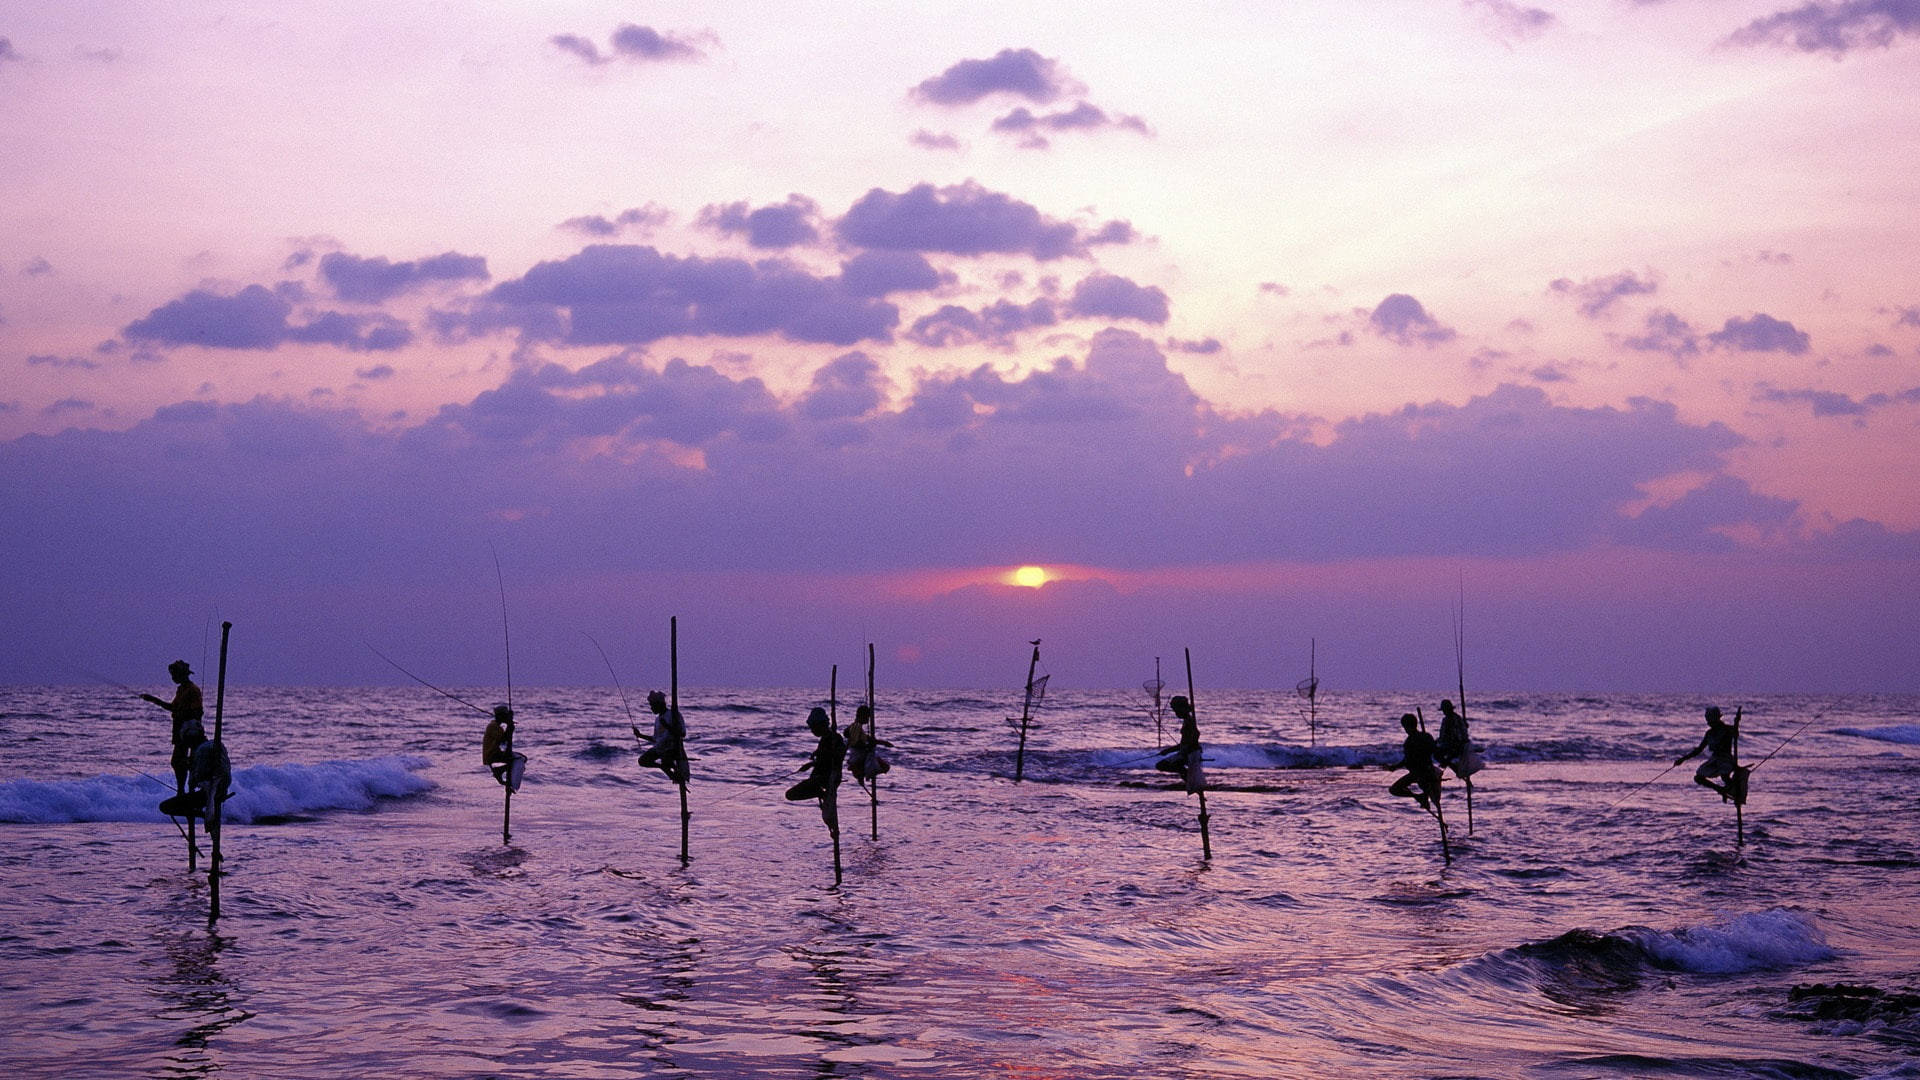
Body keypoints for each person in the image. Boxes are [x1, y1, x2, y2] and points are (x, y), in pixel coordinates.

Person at [140, 660, 205, 794]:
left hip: (191, 732)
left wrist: (182, 714)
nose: (173, 678)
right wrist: (153, 699)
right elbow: (173, 707)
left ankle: (190, 790)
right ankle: (181, 790)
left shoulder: (193, 690)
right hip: (179, 731)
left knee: (188, 762)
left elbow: (198, 711)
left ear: (182, 675)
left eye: (175, 675)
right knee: (177, 762)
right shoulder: (181, 689)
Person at [786, 707, 845, 835]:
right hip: (820, 778)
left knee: (791, 794)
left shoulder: (835, 738)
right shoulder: (825, 739)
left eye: (813, 728)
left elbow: (837, 758)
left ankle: (820, 793)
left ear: (821, 725)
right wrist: (812, 763)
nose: (812, 731)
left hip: (827, 779)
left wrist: (817, 760)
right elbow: (824, 758)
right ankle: (820, 793)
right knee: (790, 795)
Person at [1676, 705, 1745, 803]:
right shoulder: (1709, 733)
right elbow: (1699, 750)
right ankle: (1721, 790)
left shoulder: (1727, 729)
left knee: (1725, 776)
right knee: (1698, 777)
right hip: (1715, 759)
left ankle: (1733, 790)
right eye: (1707, 720)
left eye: (1709, 719)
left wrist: (1736, 723)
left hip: (1726, 759)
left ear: (1716, 718)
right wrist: (1683, 759)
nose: (1708, 722)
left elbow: (1736, 734)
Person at [1388, 713, 1443, 812]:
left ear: (1406, 727)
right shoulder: (1426, 736)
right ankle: (1423, 797)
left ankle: (1419, 797)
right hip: (1429, 771)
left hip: (1418, 774)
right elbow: (1435, 752)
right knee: (1427, 789)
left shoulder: (1409, 742)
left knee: (1394, 789)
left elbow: (1407, 760)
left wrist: (1395, 767)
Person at [1155, 695, 1205, 794]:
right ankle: (1188, 777)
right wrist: (1168, 751)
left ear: (1182, 709)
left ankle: (1188, 777)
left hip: (1190, 753)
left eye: (1176, 710)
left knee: (1161, 765)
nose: (1176, 713)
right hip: (1186, 752)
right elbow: (1184, 743)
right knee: (1165, 765)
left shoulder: (1189, 721)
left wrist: (1185, 748)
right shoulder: (1187, 721)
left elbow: (1195, 735)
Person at [636, 690, 689, 785]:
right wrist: (640, 735)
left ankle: (673, 773)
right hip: (660, 748)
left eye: (652, 705)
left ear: (659, 704)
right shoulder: (658, 719)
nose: (651, 708)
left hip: (672, 748)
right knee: (642, 761)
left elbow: (682, 734)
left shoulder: (673, 715)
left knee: (666, 761)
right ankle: (665, 769)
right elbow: (655, 739)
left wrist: (668, 726)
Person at [845, 704, 892, 791]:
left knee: (883, 766)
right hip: (858, 758)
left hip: (859, 758)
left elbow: (868, 739)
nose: (868, 720)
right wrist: (867, 746)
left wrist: (883, 743)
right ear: (862, 716)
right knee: (884, 767)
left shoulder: (858, 727)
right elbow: (855, 743)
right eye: (867, 717)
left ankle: (862, 775)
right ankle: (863, 774)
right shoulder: (856, 727)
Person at [1434, 698, 1481, 783]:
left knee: (1438, 755)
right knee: (1442, 757)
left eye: (1445, 710)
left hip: (1456, 746)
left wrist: (1438, 742)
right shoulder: (1456, 718)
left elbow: (1450, 736)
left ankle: (1455, 768)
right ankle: (1453, 767)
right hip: (1456, 745)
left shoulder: (1450, 720)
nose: (1444, 712)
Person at [482, 704, 526, 789]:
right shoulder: (494, 726)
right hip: (492, 755)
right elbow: (505, 740)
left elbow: (504, 741)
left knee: (520, 759)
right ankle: (512, 784)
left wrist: (510, 726)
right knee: (520, 759)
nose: (507, 717)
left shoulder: (496, 726)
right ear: (501, 716)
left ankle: (500, 771)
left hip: (494, 754)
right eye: (505, 716)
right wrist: (510, 726)